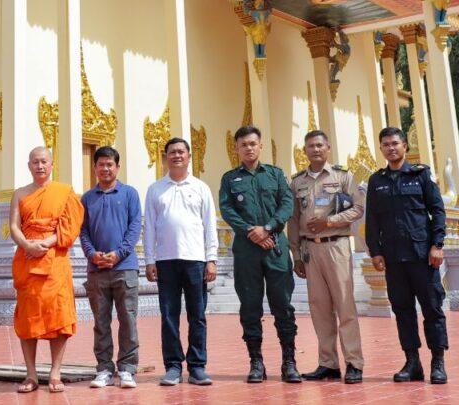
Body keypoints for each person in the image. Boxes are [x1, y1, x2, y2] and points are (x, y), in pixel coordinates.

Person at [365, 127, 449, 384]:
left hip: (422, 255)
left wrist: (437, 244)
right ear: (381, 149)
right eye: (386, 144)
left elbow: (438, 210)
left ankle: (437, 362)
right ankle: (412, 362)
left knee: (432, 309)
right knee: (402, 311)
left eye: (395, 143)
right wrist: (375, 251)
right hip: (393, 257)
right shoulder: (376, 181)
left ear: (404, 147)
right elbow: (372, 220)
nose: (391, 148)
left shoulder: (421, 175)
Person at [218, 125, 300, 384]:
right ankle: (256, 362)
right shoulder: (229, 179)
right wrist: (250, 232)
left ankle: (289, 361)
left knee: (283, 305)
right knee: (250, 307)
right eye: (243, 144)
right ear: (236, 149)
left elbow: (287, 204)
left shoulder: (275, 175)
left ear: (260, 146)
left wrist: (268, 228)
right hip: (246, 251)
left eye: (253, 143)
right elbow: (227, 210)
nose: (249, 148)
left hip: (275, 248)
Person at [287, 130, 365, 384]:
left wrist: (329, 222)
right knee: (319, 307)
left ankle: (354, 362)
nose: (316, 149)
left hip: (336, 245)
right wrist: (296, 254)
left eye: (320, 145)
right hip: (310, 250)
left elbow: (358, 208)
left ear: (328, 148)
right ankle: (328, 363)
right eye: (311, 146)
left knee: (345, 305)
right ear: (305, 151)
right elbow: (293, 220)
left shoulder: (342, 176)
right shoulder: (297, 182)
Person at [143, 137, 217, 387]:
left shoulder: (201, 187)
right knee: (168, 315)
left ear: (188, 156)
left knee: (197, 315)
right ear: (165, 157)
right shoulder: (155, 189)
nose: (176, 156)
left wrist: (211, 259)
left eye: (181, 152)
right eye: (172, 152)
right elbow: (149, 227)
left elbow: (209, 225)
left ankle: (197, 366)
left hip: (195, 260)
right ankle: (173, 366)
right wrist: (150, 260)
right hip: (165, 260)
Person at [10, 146, 84, 393]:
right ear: (28, 166)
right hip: (28, 259)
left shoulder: (64, 192)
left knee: (58, 316)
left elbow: (70, 227)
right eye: (35, 162)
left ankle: (55, 372)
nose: (40, 166)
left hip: (55, 260)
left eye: (44, 161)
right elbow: (14, 226)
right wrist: (27, 245)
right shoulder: (20, 193)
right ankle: (31, 374)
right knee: (27, 317)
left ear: (52, 164)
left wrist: (46, 243)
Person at [80, 146, 142, 389]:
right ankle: (104, 368)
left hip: (125, 268)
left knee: (128, 320)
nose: (105, 168)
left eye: (110, 164)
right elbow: (83, 231)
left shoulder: (129, 194)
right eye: (101, 164)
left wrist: (118, 254)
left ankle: (127, 368)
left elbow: (134, 227)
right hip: (97, 270)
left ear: (117, 167)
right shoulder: (87, 198)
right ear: (94, 167)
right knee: (101, 323)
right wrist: (92, 254)